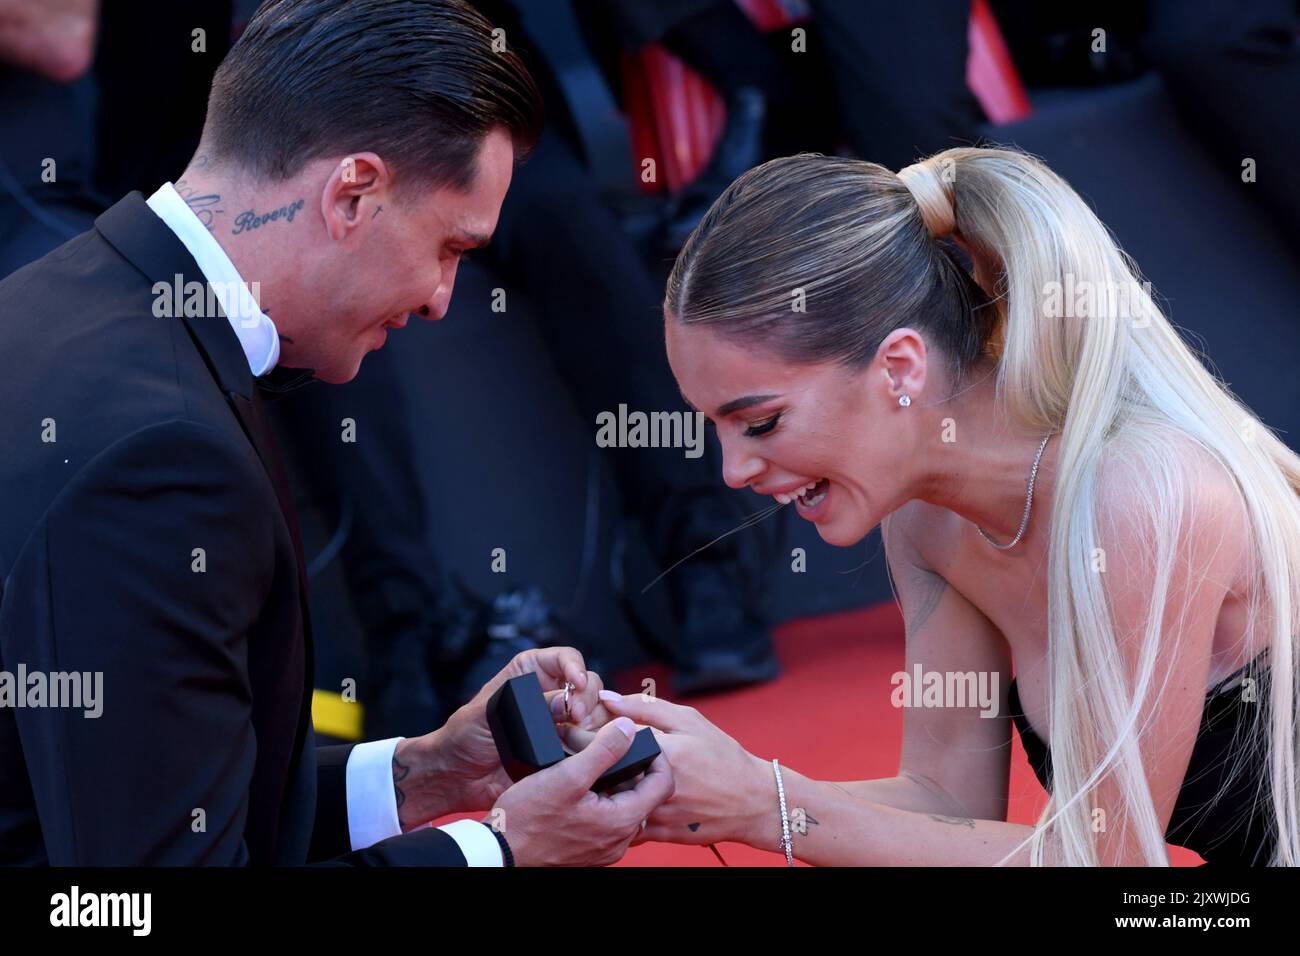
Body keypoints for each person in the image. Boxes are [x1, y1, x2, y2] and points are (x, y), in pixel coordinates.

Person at [0, 0, 672, 866]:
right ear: (352, 194)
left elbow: (155, 798)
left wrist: (428, 773)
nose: (441, 299)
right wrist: (499, 850)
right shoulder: (164, 452)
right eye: (451, 248)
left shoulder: (56, 302)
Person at [589, 147, 1299, 865]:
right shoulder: (931, 520)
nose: (734, 470)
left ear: (900, 367)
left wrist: (763, 802)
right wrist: (704, 785)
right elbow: (945, 805)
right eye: (716, 426)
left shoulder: (1144, 497)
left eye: (762, 422)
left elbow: (1105, 862)